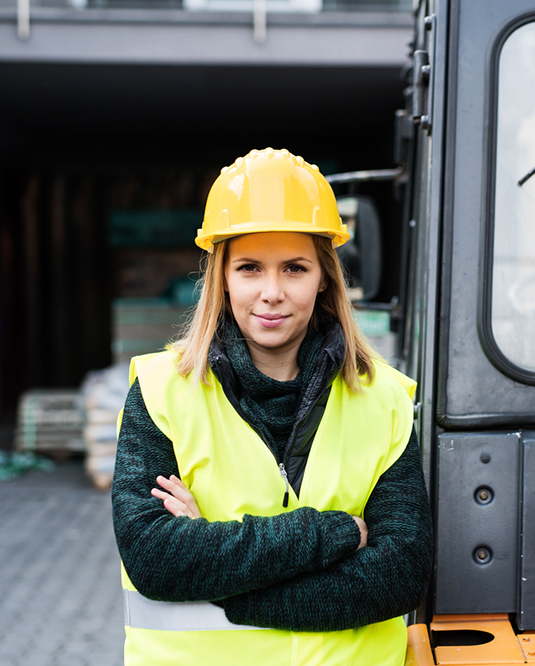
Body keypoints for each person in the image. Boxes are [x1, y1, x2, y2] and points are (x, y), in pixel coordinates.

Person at [112, 147, 433, 666]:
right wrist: (337, 532)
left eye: (294, 268)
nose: (271, 292)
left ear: (325, 276)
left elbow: (399, 575)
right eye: (250, 268)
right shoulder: (161, 392)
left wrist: (217, 572)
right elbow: (155, 558)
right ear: (222, 277)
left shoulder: (385, 400)